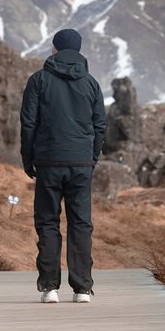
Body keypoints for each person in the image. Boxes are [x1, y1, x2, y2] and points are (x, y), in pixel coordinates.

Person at [19, 27, 106, 304]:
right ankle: (82, 289)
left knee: (47, 222)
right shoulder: (92, 83)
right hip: (81, 163)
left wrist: (28, 157)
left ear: (54, 49)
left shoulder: (38, 80)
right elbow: (100, 125)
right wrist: (92, 155)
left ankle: (49, 287)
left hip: (48, 161)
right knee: (81, 223)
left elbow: (28, 123)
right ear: (78, 51)